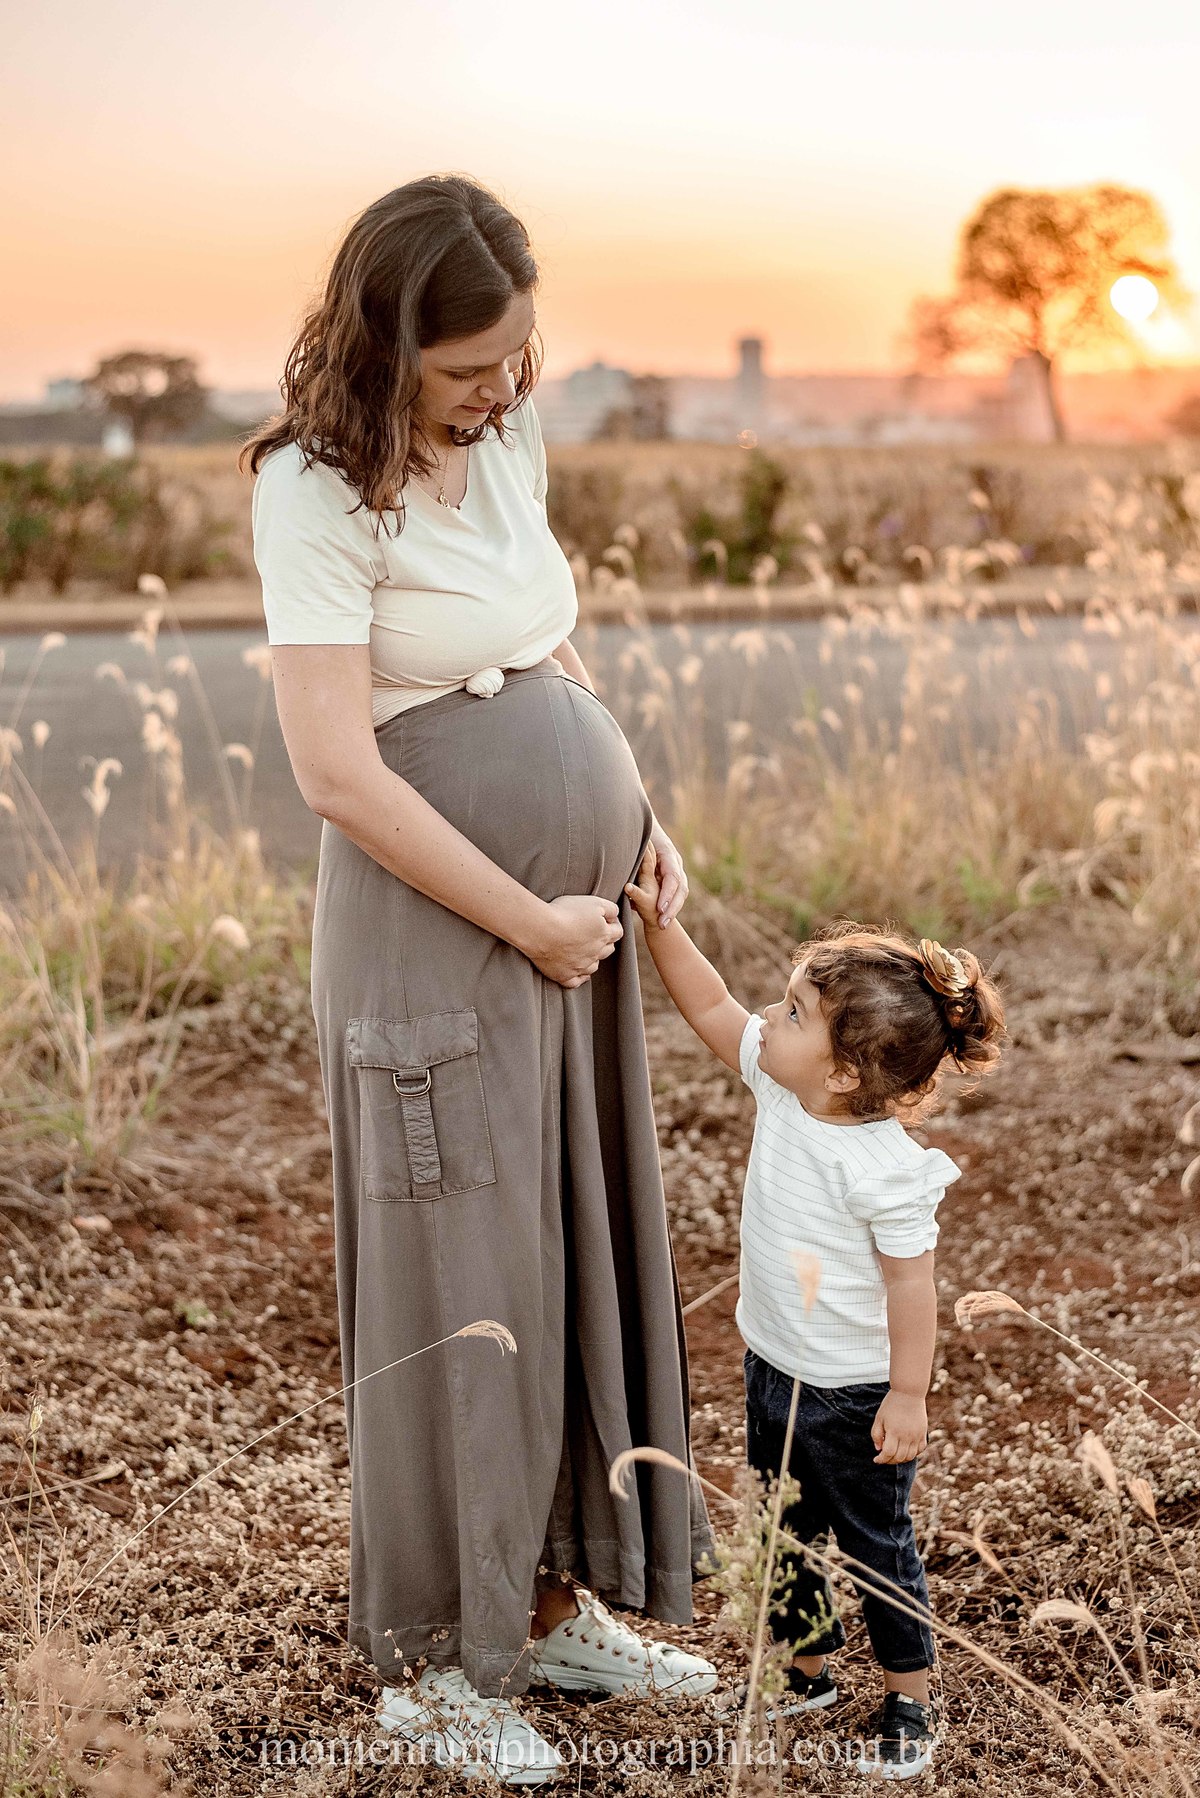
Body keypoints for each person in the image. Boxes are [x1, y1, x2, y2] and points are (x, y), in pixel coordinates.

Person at [242, 175, 718, 1787]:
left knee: (566, 1248)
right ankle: (434, 1664)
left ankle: (556, 1604)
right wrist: (525, 912)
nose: (503, 389)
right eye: (468, 369)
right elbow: (335, 773)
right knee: (461, 1285)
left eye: (518, 356)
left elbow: (547, 648)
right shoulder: (313, 490)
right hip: (443, 930)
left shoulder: (508, 440)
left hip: (563, 912)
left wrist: (638, 818)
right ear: (386, 345)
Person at [623, 845, 1005, 1780]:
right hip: (772, 1366)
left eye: (793, 1012)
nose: (768, 1017)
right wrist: (664, 932)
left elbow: (913, 1288)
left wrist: (908, 1396)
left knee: (876, 1548)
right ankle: (807, 1673)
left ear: (842, 1075)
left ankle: (910, 1701)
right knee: (781, 1533)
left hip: (853, 1393)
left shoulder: (887, 1171)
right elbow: (713, 1007)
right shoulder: (784, 1087)